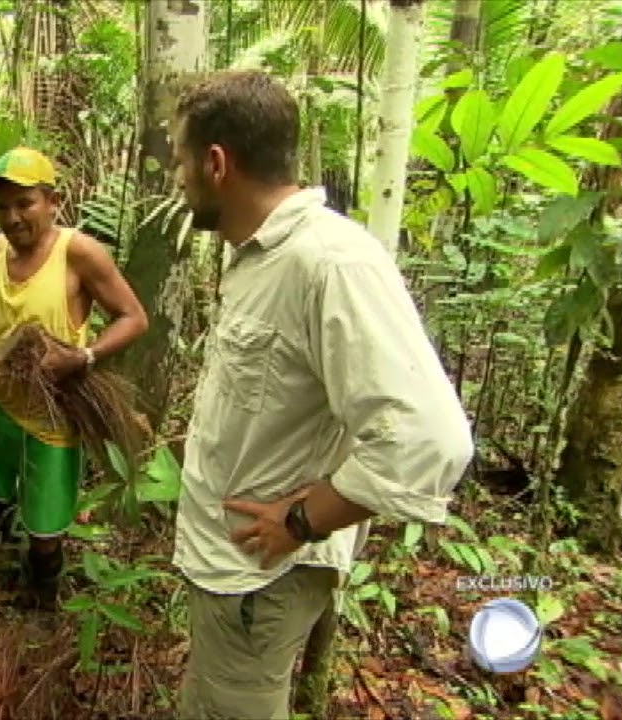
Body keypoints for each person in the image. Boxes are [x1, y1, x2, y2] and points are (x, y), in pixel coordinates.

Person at [169, 71, 474, 719]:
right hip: (231, 579)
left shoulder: (330, 262)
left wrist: (303, 520)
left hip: (258, 583)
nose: (178, 177)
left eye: (181, 160)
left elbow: (427, 438)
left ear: (216, 163)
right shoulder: (260, 256)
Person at [0, 146, 149, 609]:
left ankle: (42, 598)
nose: (12, 217)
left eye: (24, 203)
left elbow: (134, 317)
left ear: (52, 202)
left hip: (53, 409)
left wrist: (85, 356)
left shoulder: (77, 253)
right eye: (2, 206)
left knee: (47, 526)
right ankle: (3, 528)